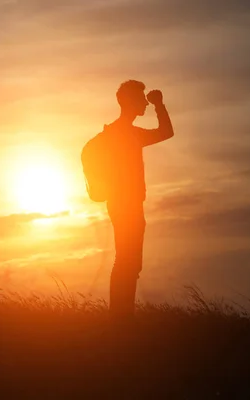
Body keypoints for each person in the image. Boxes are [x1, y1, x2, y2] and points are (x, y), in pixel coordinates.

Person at [105, 80, 174, 319]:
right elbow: (166, 132)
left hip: (124, 203)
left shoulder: (120, 132)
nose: (145, 102)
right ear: (129, 102)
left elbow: (166, 133)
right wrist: (159, 105)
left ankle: (121, 315)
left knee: (128, 261)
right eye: (141, 98)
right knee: (127, 261)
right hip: (126, 204)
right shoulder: (126, 134)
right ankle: (121, 317)